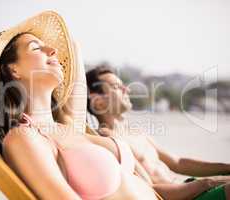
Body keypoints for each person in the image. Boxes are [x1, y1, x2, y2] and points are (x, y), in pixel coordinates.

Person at [0, 11, 162, 200]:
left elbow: (73, 47)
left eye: (50, 47)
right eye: (35, 48)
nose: (53, 51)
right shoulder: (24, 138)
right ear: (13, 69)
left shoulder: (67, 125)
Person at [86, 65, 230, 200]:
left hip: (188, 186)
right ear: (98, 102)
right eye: (117, 86)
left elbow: (178, 163)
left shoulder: (133, 130)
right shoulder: (109, 140)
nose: (127, 89)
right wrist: (208, 183)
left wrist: (225, 168)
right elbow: (148, 190)